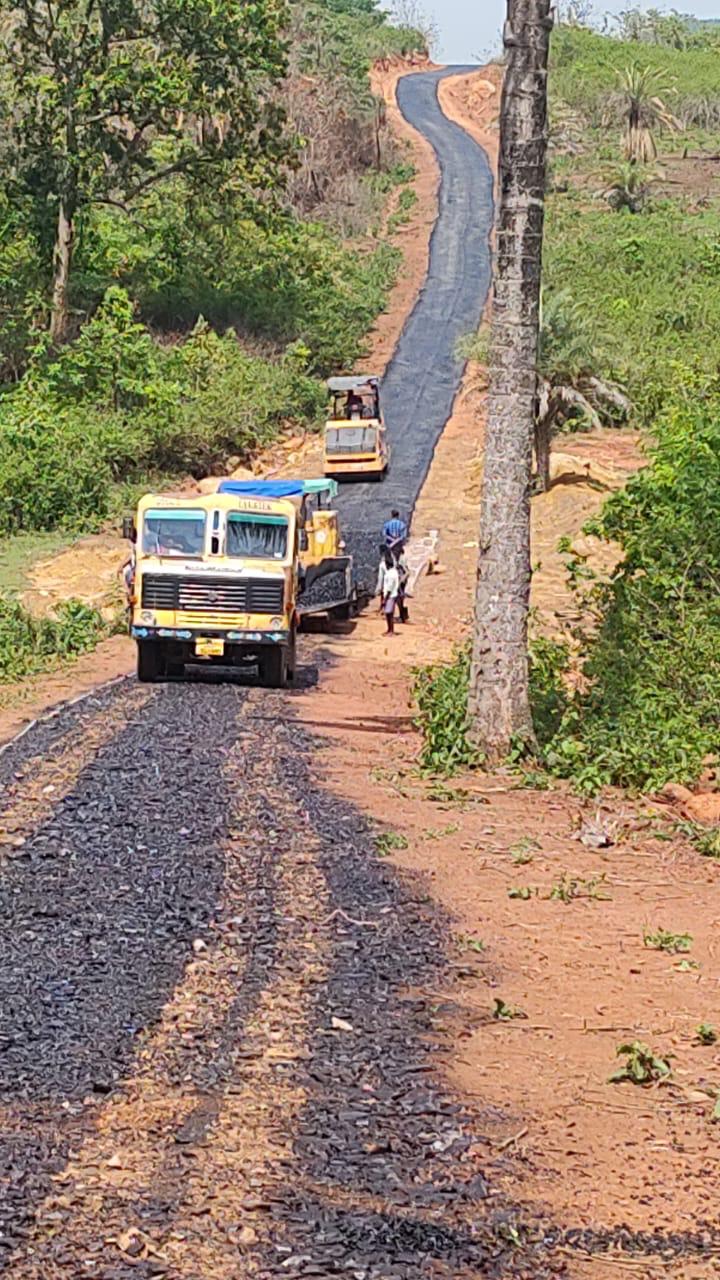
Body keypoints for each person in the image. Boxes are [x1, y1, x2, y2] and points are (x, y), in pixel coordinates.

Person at [376, 545, 400, 635]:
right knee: (388, 613)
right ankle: (390, 630)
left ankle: (391, 630)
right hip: (390, 594)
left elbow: (388, 587)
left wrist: (384, 599)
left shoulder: (390, 574)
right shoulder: (393, 571)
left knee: (389, 613)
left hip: (390, 595)